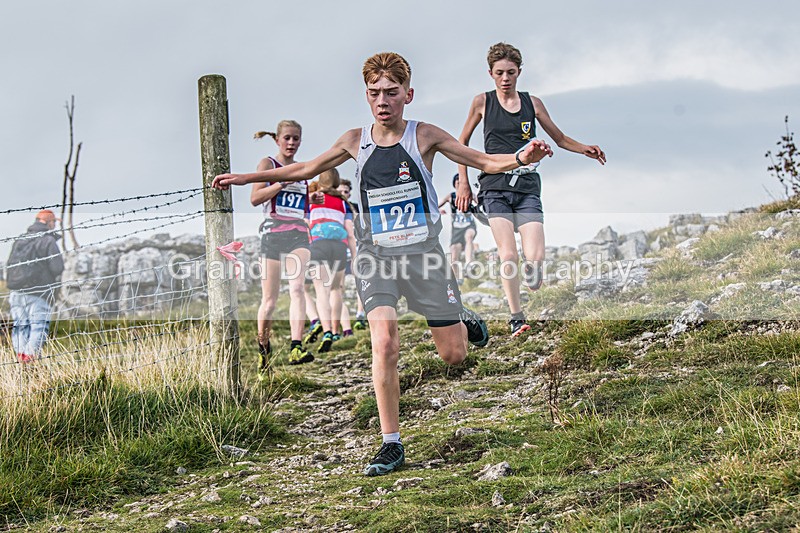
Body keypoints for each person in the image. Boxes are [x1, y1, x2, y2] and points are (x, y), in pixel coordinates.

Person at [213, 51, 552, 476]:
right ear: (367, 96)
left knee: (454, 355)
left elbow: (482, 161)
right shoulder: (356, 141)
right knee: (385, 342)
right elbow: (304, 169)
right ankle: (391, 444)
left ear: (408, 95)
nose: (382, 101)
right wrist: (246, 178)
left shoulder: (424, 135)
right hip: (377, 258)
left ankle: (462, 319)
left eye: (391, 93)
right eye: (375, 93)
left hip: (425, 257)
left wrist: (522, 158)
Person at [456, 42, 606, 338]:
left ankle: (530, 278)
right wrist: (463, 182)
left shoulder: (532, 104)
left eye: (511, 72)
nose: (505, 78)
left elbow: (560, 138)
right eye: (499, 73)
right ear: (491, 73)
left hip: (526, 187)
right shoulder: (481, 102)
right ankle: (516, 317)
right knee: (508, 255)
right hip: (494, 186)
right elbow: (460, 145)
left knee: (534, 264)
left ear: (519, 72)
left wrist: (584, 149)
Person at [251, 120, 315, 375]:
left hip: (299, 234)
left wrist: (314, 199)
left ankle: (296, 346)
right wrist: (280, 184)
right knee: (270, 301)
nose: (291, 143)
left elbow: (304, 205)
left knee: (298, 289)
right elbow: (255, 198)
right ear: (277, 140)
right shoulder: (268, 164)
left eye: (296, 139)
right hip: (273, 235)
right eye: (287, 138)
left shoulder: (302, 169)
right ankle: (263, 348)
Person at [306, 167, 357, 352]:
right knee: (336, 290)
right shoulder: (343, 203)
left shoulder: (312, 199)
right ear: (336, 182)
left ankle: (326, 330)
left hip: (318, 245)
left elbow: (305, 224)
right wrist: (355, 257)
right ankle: (336, 331)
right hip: (339, 248)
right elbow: (350, 234)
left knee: (321, 290)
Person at [5, 210, 64, 362]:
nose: (55, 225)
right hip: (39, 292)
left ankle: (20, 358)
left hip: (16, 292)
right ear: (48, 222)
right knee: (38, 327)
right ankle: (29, 359)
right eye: (54, 222)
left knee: (20, 326)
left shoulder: (20, 240)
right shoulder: (48, 241)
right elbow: (57, 267)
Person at [337, 178, 366, 331]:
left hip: (356, 249)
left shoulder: (355, 207)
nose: (343, 194)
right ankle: (343, 324)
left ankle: (360, 316)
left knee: (360, 283)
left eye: (346, 192)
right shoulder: (333, 207)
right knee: (338, 287)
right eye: (340, 191)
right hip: (340, 250)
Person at [439, 173, 478, 275]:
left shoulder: (470, 194)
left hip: (469, 224)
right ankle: (456, 279)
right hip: (456, 228)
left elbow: (480, 203)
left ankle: (469, 264)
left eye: (461, 181)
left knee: (469, 237)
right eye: (457, 181)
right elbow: (437, 205)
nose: (459, 183)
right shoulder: (450, 196)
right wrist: (437, 211)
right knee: (454, 254)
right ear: (454, 184)